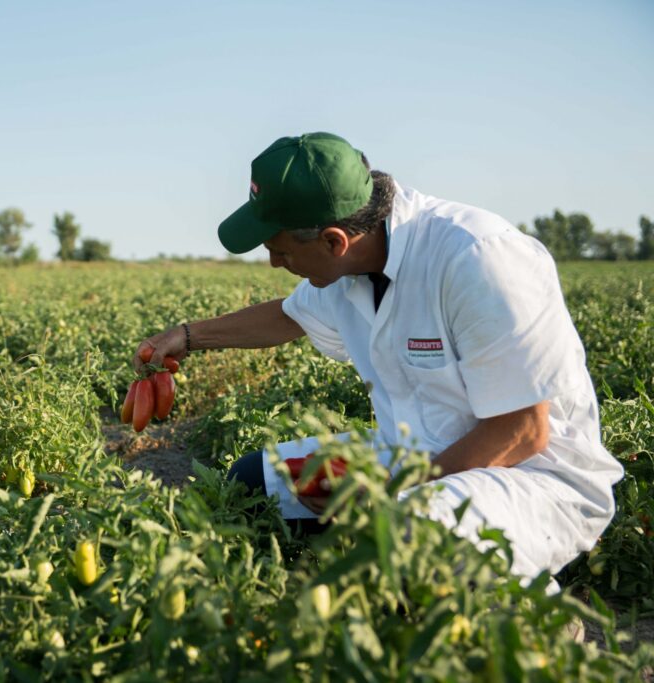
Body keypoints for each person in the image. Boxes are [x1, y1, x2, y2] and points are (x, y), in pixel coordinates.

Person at [133, 132, 623, 589]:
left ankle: (536, 628)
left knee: (400, 534)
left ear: (333, 240)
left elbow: (522, 431)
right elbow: (289, 317)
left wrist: (386, 494)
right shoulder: (351, 266)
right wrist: (188, 336)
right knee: (253, 483)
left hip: (529, 477)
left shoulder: (478, 259)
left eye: (279, 251)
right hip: (412, 457)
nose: (274, 264)